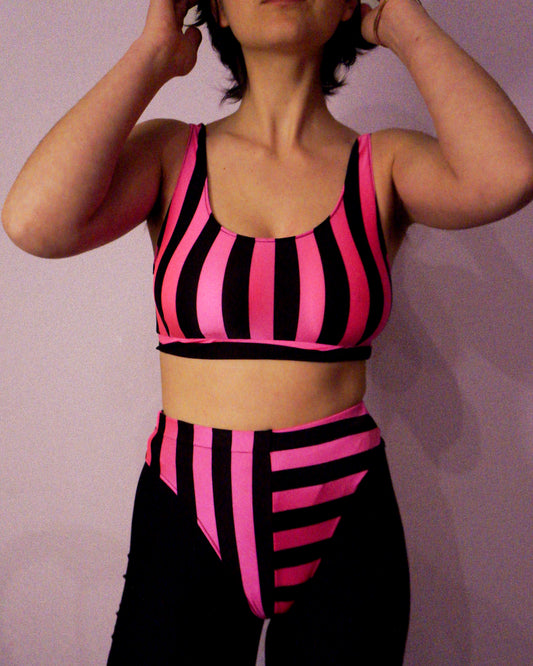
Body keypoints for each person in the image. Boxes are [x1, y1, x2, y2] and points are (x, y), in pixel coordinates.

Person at [3, 0, 533, 663]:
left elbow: (508, 173)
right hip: (187, 505)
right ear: (217, 11)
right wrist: (151, 56)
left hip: (344, 511)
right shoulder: (172, 153)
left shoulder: (383, 164)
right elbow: (34, 222)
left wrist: (404, 23)